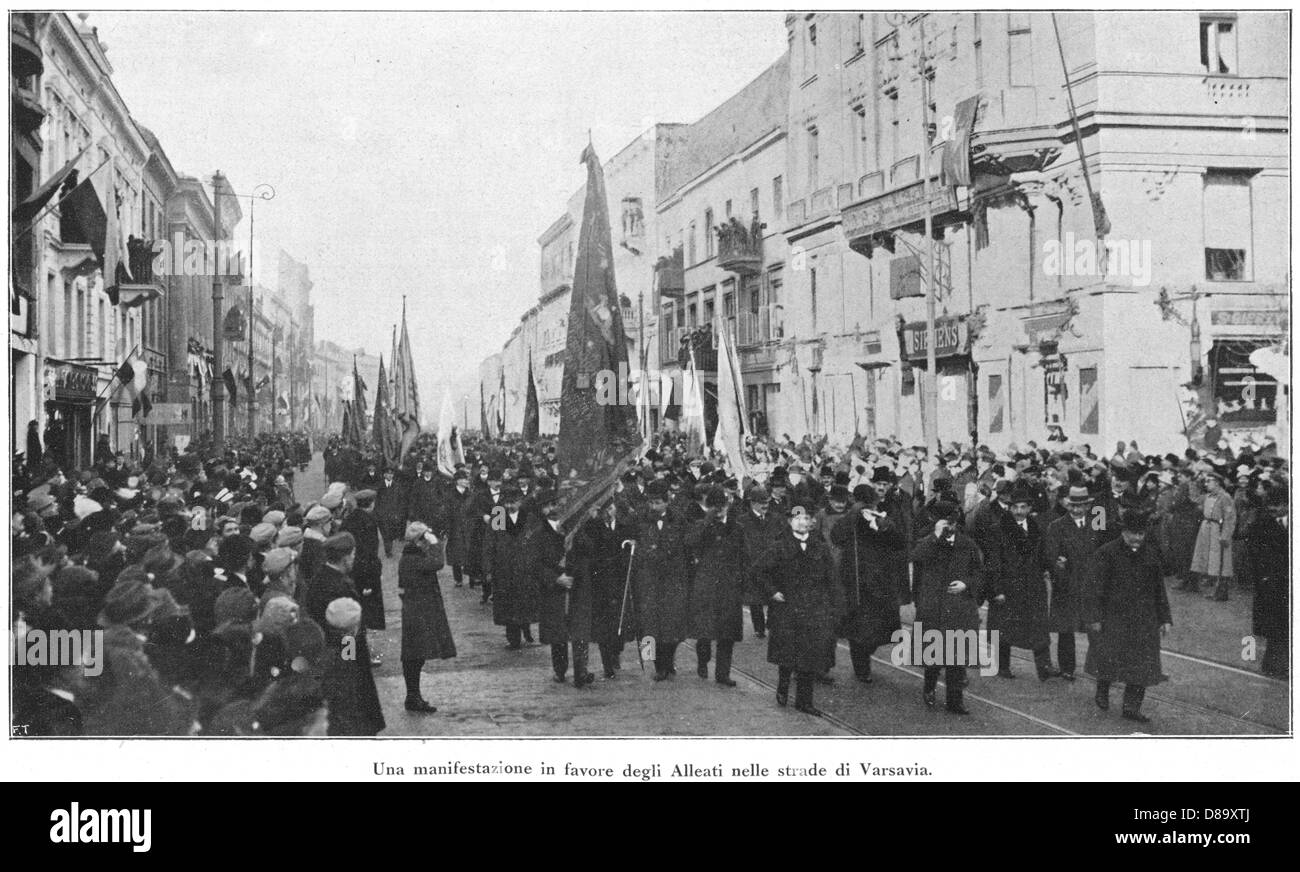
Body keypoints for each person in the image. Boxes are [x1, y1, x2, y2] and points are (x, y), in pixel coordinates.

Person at [1085, 509, 1172, 725]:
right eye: (1133, 533)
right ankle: (1102, 691)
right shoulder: (1107, 553)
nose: (1137, 538)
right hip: (1113, 618)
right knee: (1108, 658)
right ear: (1123, 532)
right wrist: (1094, 617)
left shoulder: (1151, 555)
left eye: (1141, 534)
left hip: (1144, 620)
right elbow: (1094, 588)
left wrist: (1165, 619)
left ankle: (1131, 707)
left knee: (1142, 665)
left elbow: (1159, 590)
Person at [755, 502, 837, 715]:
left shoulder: (820, 547)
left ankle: (804, 701)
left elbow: (831, 577)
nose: (803, 522)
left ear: (812, 523)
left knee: (809, 655)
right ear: (791, 521)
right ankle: (783, 686)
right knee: (788, 652)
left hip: (813, 608)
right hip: (787, 608)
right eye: (798, 518)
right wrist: (772, 592)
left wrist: (831, 604)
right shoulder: (779, 546)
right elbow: (759, 572)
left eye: (807, 518)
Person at [910, 501, 982, 714]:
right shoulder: (927, 542)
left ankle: (955, 700)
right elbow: (916, 559)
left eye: (952, 521)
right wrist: (935, 537)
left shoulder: (967, 544)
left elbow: (979, 573)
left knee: (957, 657)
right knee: (933, 655)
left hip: (959, 606)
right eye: (944, 521)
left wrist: (966, 584)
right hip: (934, 605)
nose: (949, 526)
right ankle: (929, 687)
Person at [831, 486, 904, 684]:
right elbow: (836, 537)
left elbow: (899, 542)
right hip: (858, 583)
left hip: (880, 581)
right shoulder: (850, 520)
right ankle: (862, 668)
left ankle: (863, 658)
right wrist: (853, 515)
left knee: (878, 630)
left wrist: (885, 525)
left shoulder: (882, 518)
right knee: (860, 629)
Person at [986, 480, 1055, 680]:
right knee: (1005, 626)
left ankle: (1044, 667)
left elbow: (1043, 555)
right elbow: (993, 562)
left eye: (1023, 507)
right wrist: (996, 589)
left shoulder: (1036, 528)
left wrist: (1049, 569)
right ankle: (1003, 666)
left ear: (1030, 508)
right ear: (1009, 508)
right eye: (1014, 507)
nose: (1018, 511)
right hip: (1009, 585)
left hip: (1033, 584)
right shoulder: (998, 529)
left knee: (1039, 626)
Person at [1041, 485, 1102, 680]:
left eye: (1081, 506)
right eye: (1073, 506)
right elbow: (1052, 557)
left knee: (1095, 627)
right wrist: (1061, 571)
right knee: (1066, 630)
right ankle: (1067, 668)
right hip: (1066, 585)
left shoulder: (1096, 524)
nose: (1076, 510)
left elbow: (1101, 553)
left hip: (1091, 585)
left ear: (1087, 506)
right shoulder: (1056, 526)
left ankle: (1099, 667)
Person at [685, 486, 744, 687]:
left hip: (729, 585)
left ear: (727, 506)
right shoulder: (701, 525)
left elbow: (745, 555)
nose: (719, 511)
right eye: (714, 507)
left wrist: (740, 580)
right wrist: (707, 521)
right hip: (707, 584)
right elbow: (691, 542)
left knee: (727, 632)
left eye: (722, 507)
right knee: (705, 631)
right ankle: (703, 661)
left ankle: (723, 673)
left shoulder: (737, 527)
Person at [533, 490, 592, 686]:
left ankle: (581, 671)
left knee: (579, 630)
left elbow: (587, 551)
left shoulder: (575, 527)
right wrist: (556, 578)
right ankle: (560, 670)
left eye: (555, 504)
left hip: (577, 586)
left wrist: (575, 575)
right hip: (554, 589)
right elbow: (535, 563)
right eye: (548, 506)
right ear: (542, 510)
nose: (553, 509)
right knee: (558, 634)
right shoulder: (539, 534)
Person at [633, 480, 691, 680]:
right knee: (651, 626)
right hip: (649, 579)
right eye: (651, 502)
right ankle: (657, 666)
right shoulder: (641, 519)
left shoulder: (679, 520)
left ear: (667, 501)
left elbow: (684, 548)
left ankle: (669, 661)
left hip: (673, 579)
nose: (654, 507)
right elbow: (637, 546)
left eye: (658, 502)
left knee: (672, 625)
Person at [397, 522, 455, 712]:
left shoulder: (413, 555)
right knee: (414, 656)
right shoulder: (412, 558)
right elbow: (437, 563)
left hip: (419, 610)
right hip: (417, 613)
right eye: (425, 538)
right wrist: (436, 542)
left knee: (416, 656)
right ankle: (412, 697)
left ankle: (414, 696)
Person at [483, 485, 537, 648]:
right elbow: (489, 543)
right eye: (506, 503)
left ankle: (526, 629)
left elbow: (535, 542)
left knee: (524, 601)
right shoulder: (498, 516)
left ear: (520, 502)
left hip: (524, 569)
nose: (509, 506)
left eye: (512, 503)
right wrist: (487, 568)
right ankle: (513, 638)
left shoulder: (529, 517)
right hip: (503, 568)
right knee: (507, 604)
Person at [1247, 483, 1288, 678]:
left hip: (1288, 584)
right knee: (1276, 627)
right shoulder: (1261, 525)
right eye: (1270, 505)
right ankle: (1275, 665)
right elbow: (1254, 554)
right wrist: (1263, 577)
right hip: (1270, 584)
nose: (1273, 509)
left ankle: (1280, 664)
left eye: (1278, 505)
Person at [341, 490, 385, 654]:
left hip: (349, 574)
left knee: (349, 618)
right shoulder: (369, 522)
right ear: (372, 503)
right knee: (366, 617)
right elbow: (370, 553)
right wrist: (370, 581)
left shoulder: (348, 520)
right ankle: (366, 652)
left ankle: (348, 654)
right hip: (365, 576)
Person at [1189, 471, 1236, 601]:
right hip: (1207, 529)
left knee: (1221, 561)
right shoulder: (1207, 496)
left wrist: (1225, 535)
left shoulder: (1225, 497)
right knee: (1210, 561)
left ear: (1217, 483)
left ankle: (1221, 591)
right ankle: (1216, 590)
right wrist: (1194, 482)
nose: (1206, 484)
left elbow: (1230, 517)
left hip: (1218, 530)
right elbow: (1194, 499)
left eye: (1209, 481)